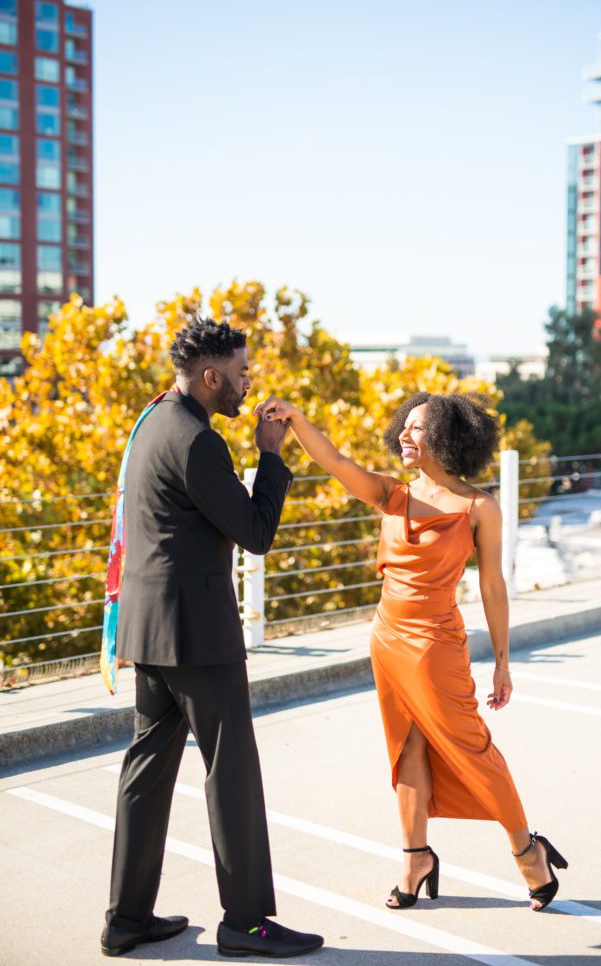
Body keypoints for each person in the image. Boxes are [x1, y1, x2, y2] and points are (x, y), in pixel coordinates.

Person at [257, 390, 568, 912]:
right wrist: (298, 420)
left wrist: (503, 663)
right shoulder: (392, 494)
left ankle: (527, 849)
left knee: (472, 749)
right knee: (407, 750)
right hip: (387, 639)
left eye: (417, 428)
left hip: (437, 645)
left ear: (448, 438)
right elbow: (334, 461)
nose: (404, 434)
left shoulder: (478, 507)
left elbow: (492, 587)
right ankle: (414, 858)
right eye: (405, 426)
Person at [101, 319, 323, 959]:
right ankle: (246, 924)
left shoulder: (151, 423)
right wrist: (271, 455)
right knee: (232, 773)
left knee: (146, 772)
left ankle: (127, 920)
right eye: (241, 370)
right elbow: (255, 532)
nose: (248, 379)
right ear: (210, 376)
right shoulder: (200, 442)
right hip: (197, 634)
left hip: (149, 630)